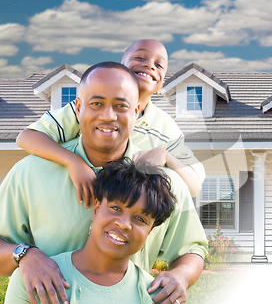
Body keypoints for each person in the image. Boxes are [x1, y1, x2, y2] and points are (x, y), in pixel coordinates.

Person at [0, 62, 207, 304]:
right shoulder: (29, 173)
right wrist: (24, 255)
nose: (108, 115)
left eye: (121, 106)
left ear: (137, 110)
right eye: (96, 104)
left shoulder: (164, 183)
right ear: (78, 107)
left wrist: (181, 277)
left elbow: (192, 250)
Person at [1, 159, 181, 304]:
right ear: (96, 209)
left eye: (140, 219)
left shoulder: (162, 298)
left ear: (149, 232)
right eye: (116, 208)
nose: (124, 224)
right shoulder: (34, 277)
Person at [16, 39, 204, 203]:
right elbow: (26, 137)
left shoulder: (165, 127)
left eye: (159, 64)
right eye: (140, 58)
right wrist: (73, 162)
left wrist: (166, 156)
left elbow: (194, 187)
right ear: (121, 66)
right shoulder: (89, 109)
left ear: (160, 86)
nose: (149, 65)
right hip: (74, 198)